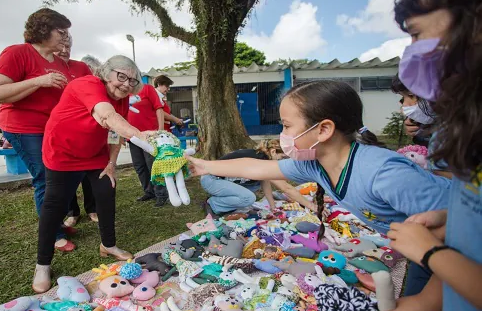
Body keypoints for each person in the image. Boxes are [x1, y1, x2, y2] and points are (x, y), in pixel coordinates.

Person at [186, 80, 451, 294]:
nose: (283, 135)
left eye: (287, 126)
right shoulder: (315, 164)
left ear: (323, 130)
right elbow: (253, 168)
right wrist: (205, 166)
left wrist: (428, 298)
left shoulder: (383, 173)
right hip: (424, 251)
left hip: (454, 248)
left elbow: (462, 225)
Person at [368, 0, 482, 311]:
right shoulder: (470, 130)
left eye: (416, 34)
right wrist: (454, 220)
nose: (412, 51)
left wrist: (430, 253)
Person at [33, 55, 151, 293]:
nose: (127, 84)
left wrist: (111, 163)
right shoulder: (87, 84)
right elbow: (107, 116)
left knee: (106, 194)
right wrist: (145, 137)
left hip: (95, 155)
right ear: (106, 73)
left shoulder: (123, 99)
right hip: (62, 152)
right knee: (54, 205)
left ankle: (108, 245)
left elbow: (114, 133)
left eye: (133, 81)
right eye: (121, 76)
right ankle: (42, 264)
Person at [0, 7, 71, 230]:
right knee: (44, 176)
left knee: (60, 175)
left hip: (51, 128)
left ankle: (55, 222)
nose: (65, 37)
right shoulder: (16, 53)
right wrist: (38, 81)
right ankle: (52, 232)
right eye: (61, 32)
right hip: (23, 127)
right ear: (44, 29)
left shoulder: (59, 61)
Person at [201, 139, 316, 218]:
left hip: (221, 179)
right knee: (248, 198)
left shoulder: (263, 157)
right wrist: (311, 206)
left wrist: (272, 206)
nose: (283, 162)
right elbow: (286, 188)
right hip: (211, 179)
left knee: (255, 184)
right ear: (273, 151)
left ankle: (223, 200)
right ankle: (213, 204)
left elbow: (265, 182)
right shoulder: (262, 160)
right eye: (282, 158)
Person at [54, 35, 99, 230]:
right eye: (60, 46)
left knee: (90, 173)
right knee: (68, 174)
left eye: (68, 46)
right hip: (63, 130)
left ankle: (92, 209)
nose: (65, 50)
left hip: (85, 129)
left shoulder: (80, 71)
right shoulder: (53, 73)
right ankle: (72, 213)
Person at [391, 75, 452, 179]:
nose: (404, 105)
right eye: (402, 97)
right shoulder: (439, 124)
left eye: (410, 95)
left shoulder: (455, 129)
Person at [127, 76, 172, 207]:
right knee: (139, 166)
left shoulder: (147, 89)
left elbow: (159, 109)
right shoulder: (125, 93)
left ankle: (161, 194)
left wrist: (160, 131)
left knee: (153, 165)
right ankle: (149, 191)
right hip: (132, 136)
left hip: (150, 135)